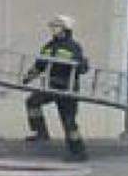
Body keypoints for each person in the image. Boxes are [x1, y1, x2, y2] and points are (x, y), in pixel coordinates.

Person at [25, 13, 90, 160]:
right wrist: (28, 76)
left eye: (57, 26)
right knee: (32, 102)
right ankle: (41, 132)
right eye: (53, 26)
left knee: (68, 121)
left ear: (65, 29)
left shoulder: (73, 47)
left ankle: (78, 152)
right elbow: (39, 65)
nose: (53, 29)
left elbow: (83, 67)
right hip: (52, 87)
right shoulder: (49, 46)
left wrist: (81, 65)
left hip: (68, 90)